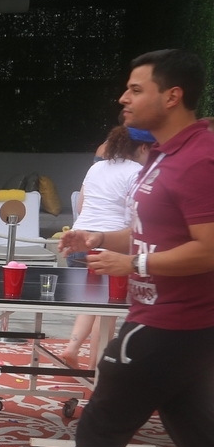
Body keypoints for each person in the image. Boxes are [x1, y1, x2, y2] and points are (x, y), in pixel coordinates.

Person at [0, 49, 214, 447]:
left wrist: (134, 263)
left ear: (172, 96)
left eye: (136, 89)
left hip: (173, 321)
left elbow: (209, 248)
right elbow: (155, 230)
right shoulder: (163, 155)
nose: (123, 98)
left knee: (102, 423)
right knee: (199, 433)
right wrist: (99, 237)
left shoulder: (201, 158)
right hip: (168, 320)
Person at [56, 125, 153, 368]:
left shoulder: (96, 167)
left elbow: (80, 205)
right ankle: (95, 368)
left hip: (79, 238)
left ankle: (72, 347)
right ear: (143, 148)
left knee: (91, 300)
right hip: (111, 243)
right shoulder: (138, 172)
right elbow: (134, 215)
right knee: (107, 309)